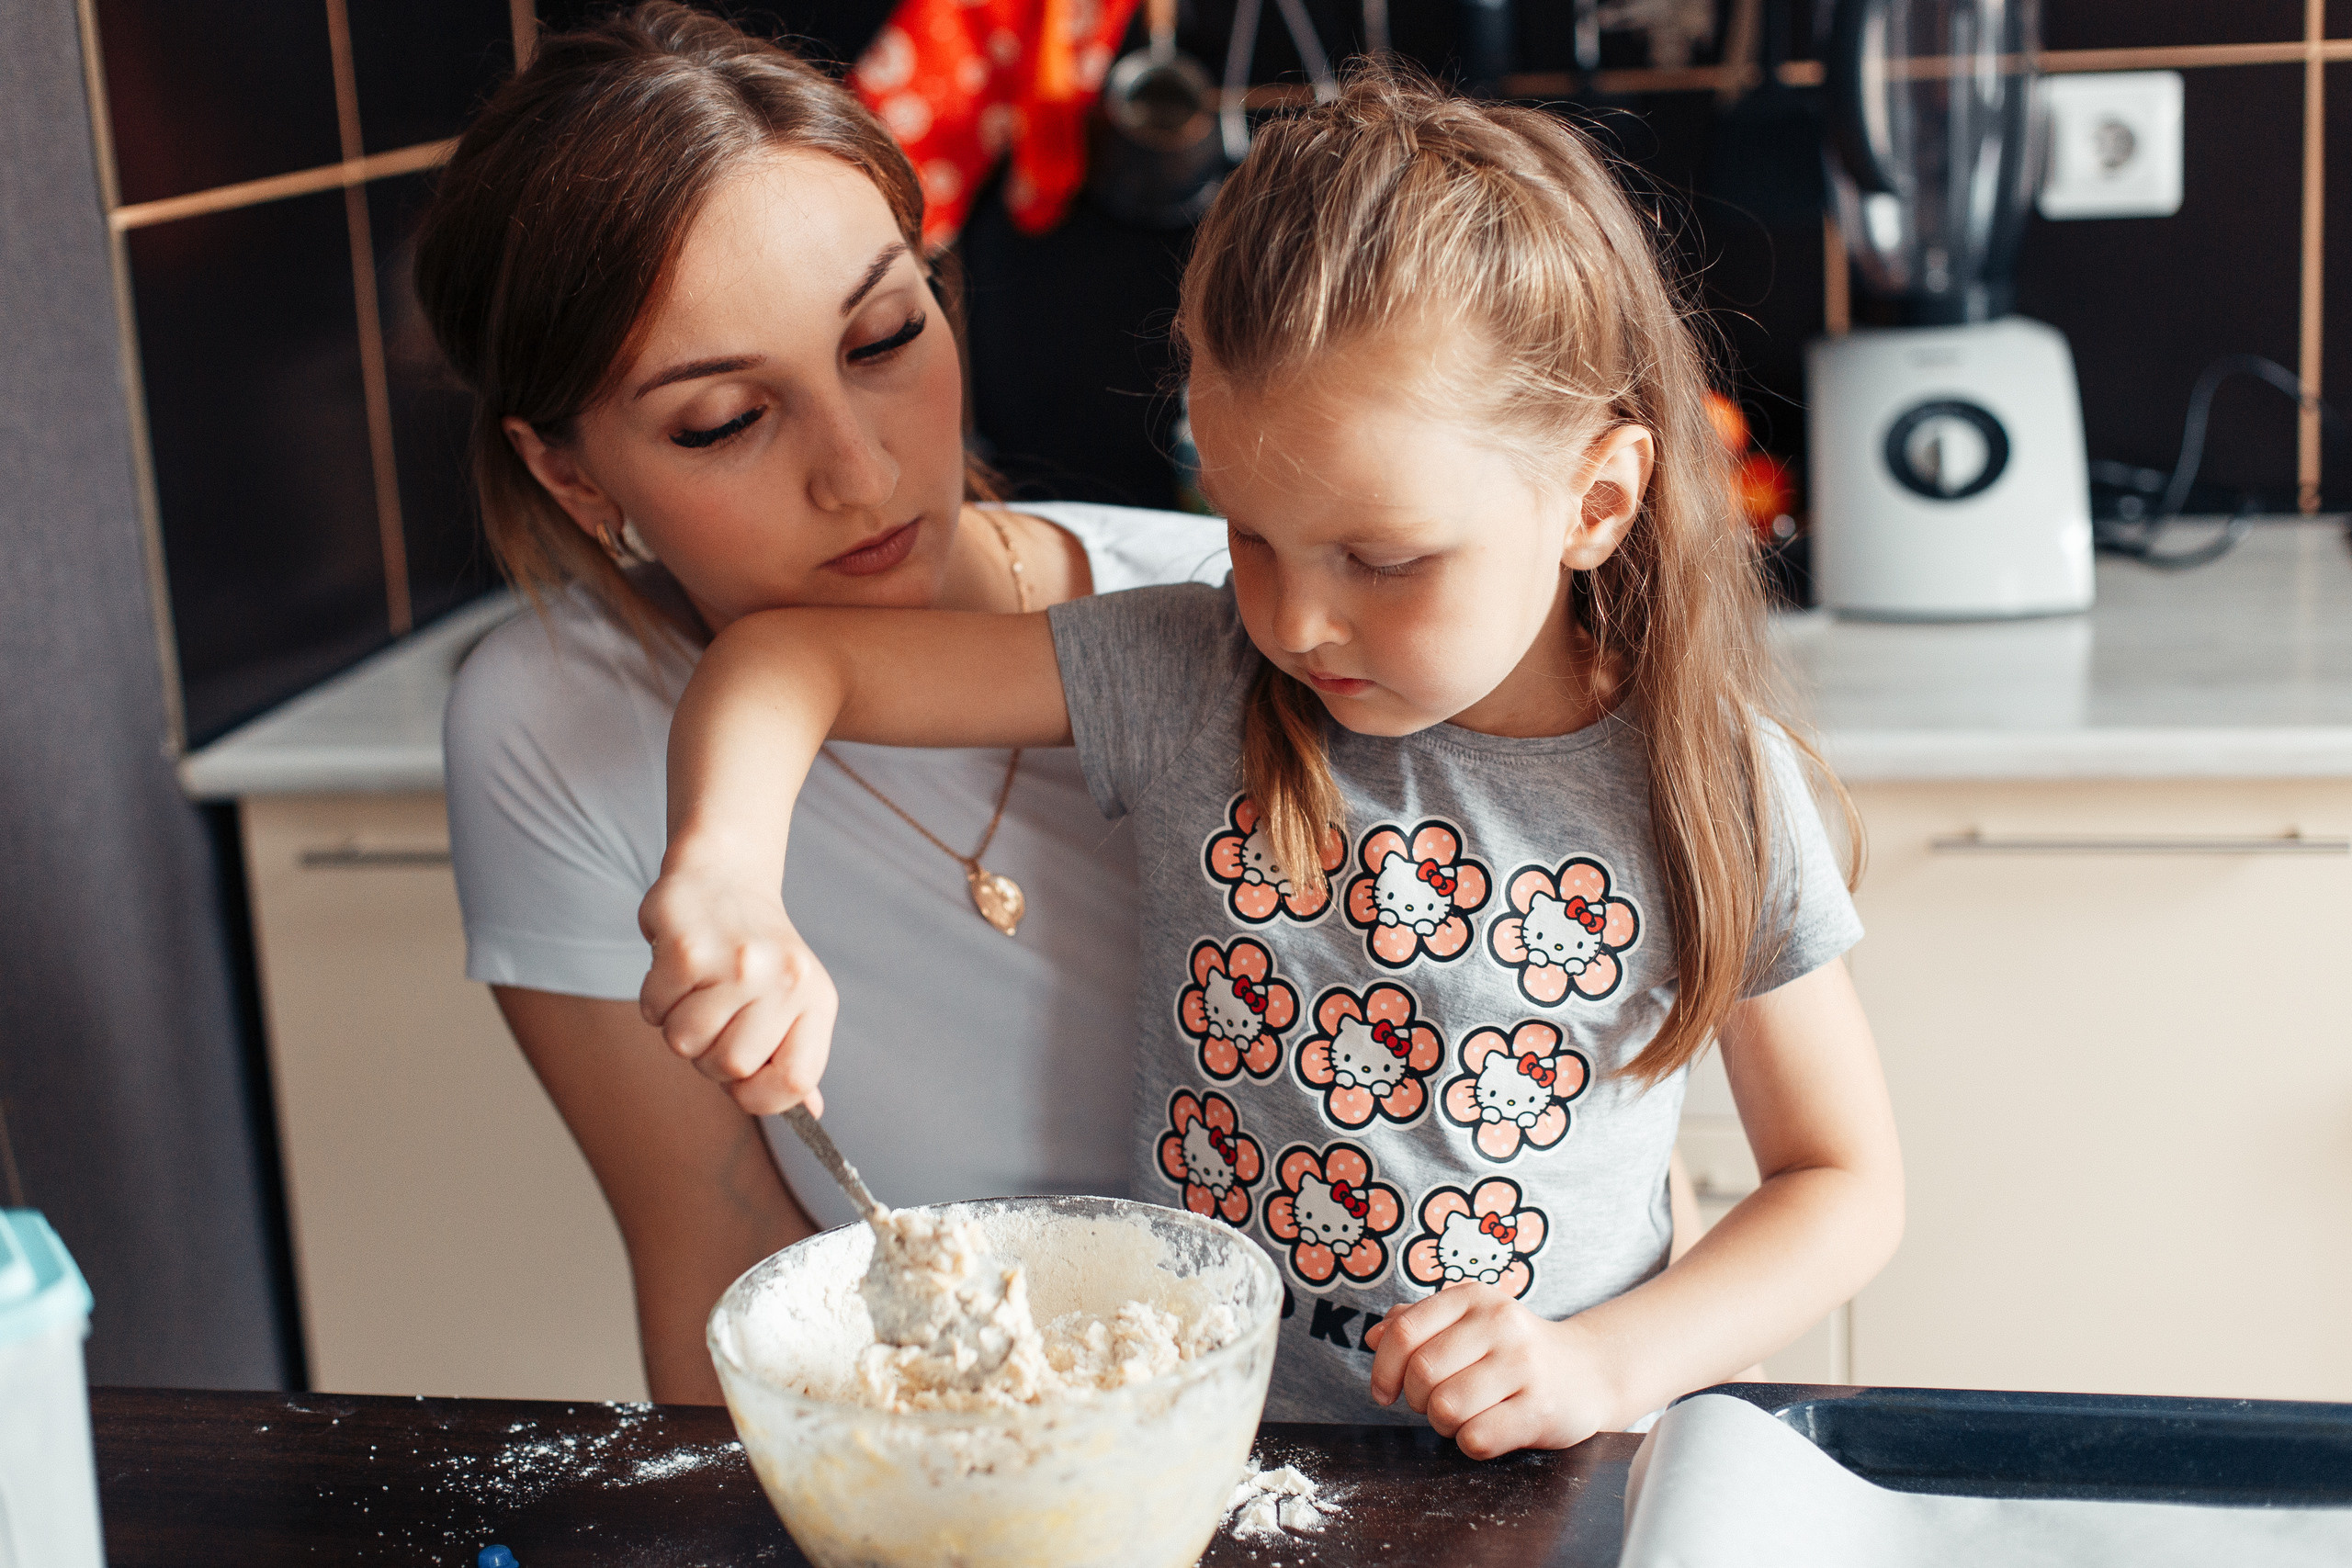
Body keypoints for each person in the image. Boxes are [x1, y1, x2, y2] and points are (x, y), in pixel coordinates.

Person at [636, 69, 1905, 1453]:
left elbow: (1841, 1183)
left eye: (1383, 558)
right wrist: (726, 882)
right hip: (1201, 1457)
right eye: (1245, 531)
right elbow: (783, 665)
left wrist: (1600, 1367)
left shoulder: (1706, 783)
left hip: (1559, 1481)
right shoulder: (1196, 675)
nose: (1295, 618)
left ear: (1594, 501)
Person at [416, 3, 1229, 1403]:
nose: (859, 472)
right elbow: (719, 1260)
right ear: (575, 480)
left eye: (884, 336)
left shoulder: (1231, 614)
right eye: (724, 420)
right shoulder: (553, 727)